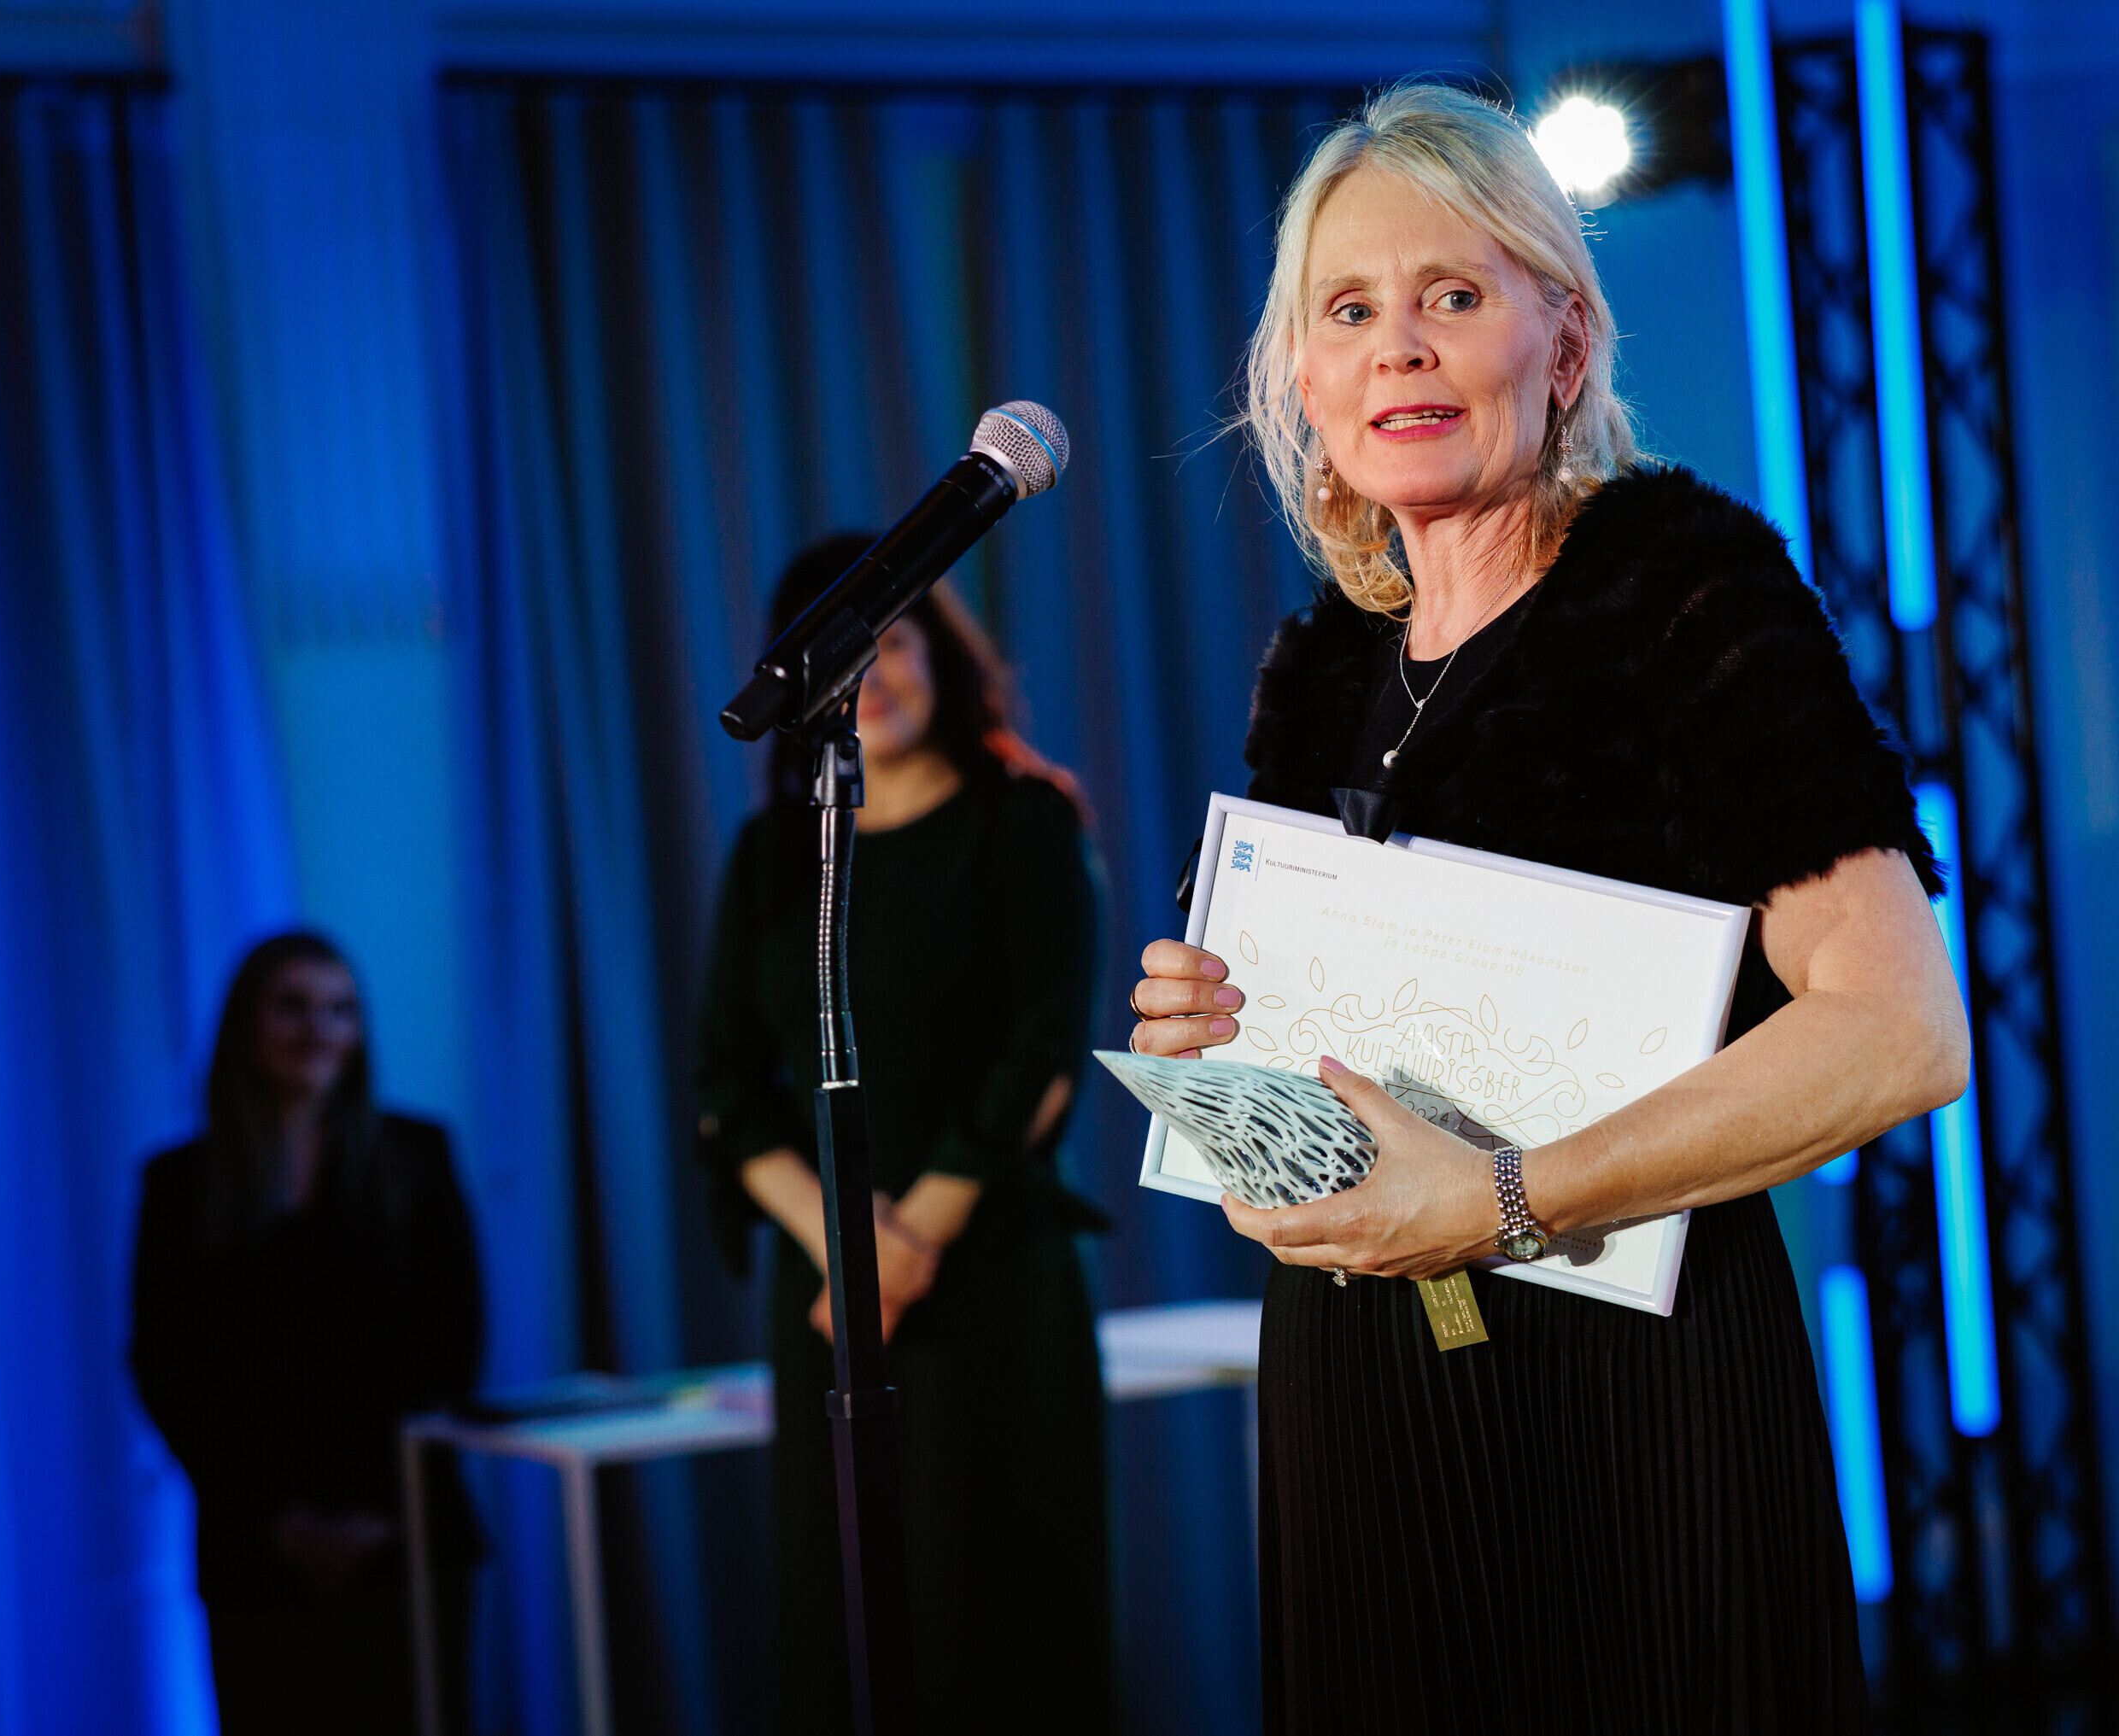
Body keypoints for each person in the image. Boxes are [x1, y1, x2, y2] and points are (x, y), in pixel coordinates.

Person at [1127, 83, 1970, 1732]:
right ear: (1302, 379)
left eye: (1451, 294)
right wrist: (1213, 1062)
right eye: (1347, 311)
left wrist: (1502, 1197)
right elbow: (1295, 1089)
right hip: (1361, 1393)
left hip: (1624, 1388)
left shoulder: (1682, 588)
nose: (1398, 346)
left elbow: (1898, 1031)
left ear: (1564, 341)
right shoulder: (1318, 669)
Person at [694, 539, 1114, 1735]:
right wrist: (848, 1249)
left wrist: (905, 1245)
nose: (870, 676)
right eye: (838, 657)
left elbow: (1040, 1055)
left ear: (941, 650)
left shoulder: (1025, 820)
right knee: (852, 1634)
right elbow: (727, 1091)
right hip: (833, 1295)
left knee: (1006, 1634)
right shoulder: (772, 857)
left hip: (985, 1279)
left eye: (891, 640)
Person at [130, 932, 483, 1736]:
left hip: (406, 1536)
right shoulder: (180, 1184)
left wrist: (382, 1515)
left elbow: (453, 1345)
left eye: (340, 1009)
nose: (318, 1030)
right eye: (292, 1007)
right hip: (256, 1553)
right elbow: (166, 1366)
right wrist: (277, 1522)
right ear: (246, 1025)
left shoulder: (416, 1158)